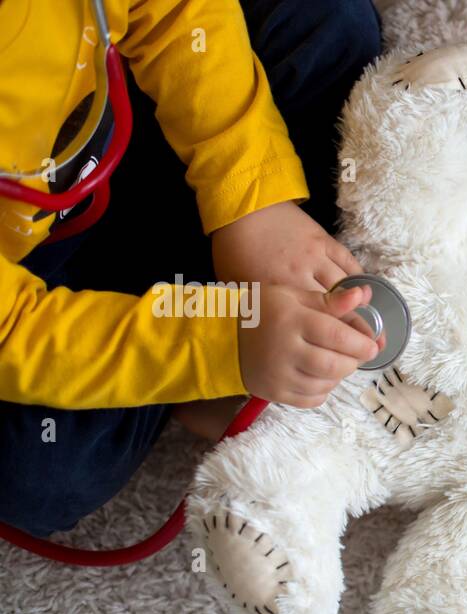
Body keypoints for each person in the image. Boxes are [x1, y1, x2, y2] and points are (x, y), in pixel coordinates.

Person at [0, 0, 383, 538]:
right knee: (37, 475)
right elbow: (13, 334)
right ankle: (208, 357)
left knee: (328, 24)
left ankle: (251, 283)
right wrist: (218, 344)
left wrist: (252, 196)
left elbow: (180, 11)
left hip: (138, 109)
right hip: (38, 292)